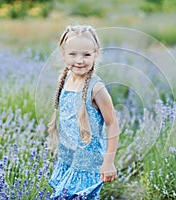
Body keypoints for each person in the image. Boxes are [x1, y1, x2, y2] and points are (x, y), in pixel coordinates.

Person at [47, 25, 119, 199]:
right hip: (69, 160)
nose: (79, 60)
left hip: (87, 164)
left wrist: (108, 162)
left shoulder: (96, 88)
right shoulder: (65, 81)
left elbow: (112, 124)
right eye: (73, 54)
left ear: (96, 55)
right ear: (63, 54)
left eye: (86, 55)